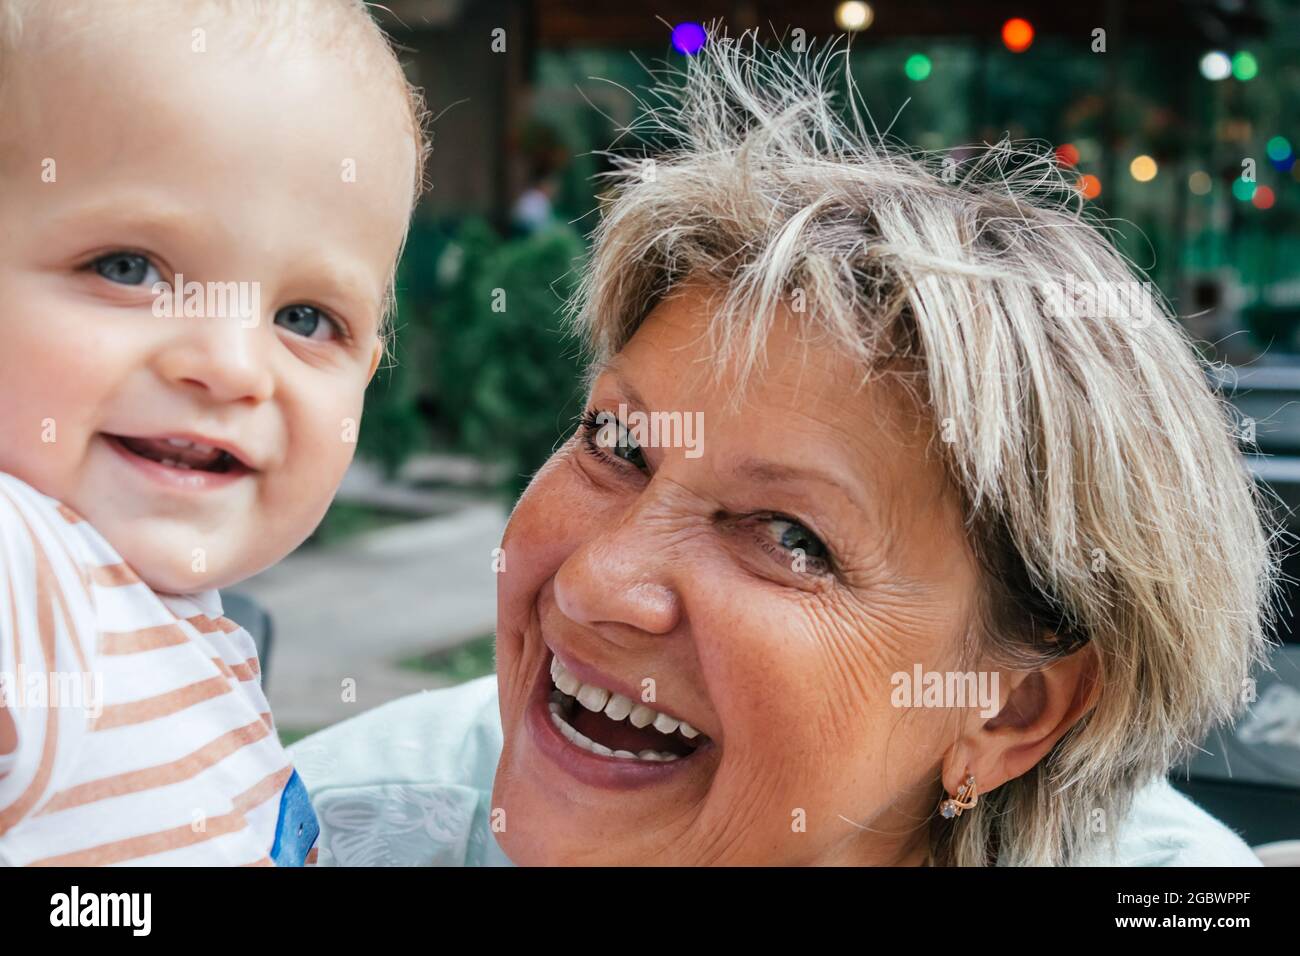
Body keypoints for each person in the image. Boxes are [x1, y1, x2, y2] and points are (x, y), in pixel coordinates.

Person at [293, 34, 1279, 866]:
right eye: (617, 442)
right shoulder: (317, 832)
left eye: (789, 535)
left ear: (1009, 709)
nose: (598, 582)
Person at [0, 0, 428, 865]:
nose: (233, 366)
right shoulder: (30, 573)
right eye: (129, 269)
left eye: (305, 318)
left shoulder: (174, 621)